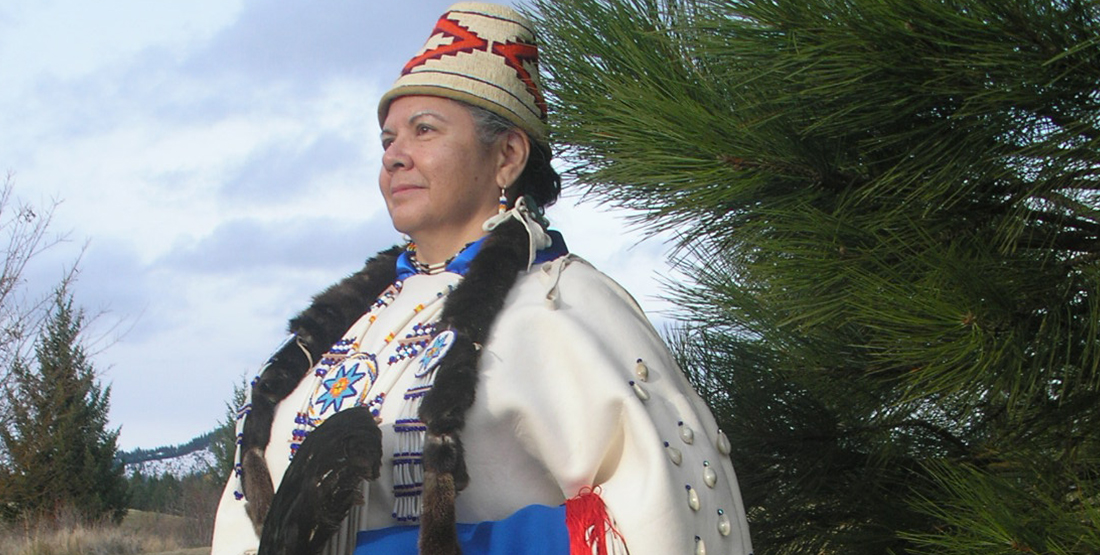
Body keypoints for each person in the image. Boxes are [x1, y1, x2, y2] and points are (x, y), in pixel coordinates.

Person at [210, 3, 753, 554]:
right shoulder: (349, 328)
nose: (395, 156)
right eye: (387, 140)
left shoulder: (564, 307)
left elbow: (666, 512)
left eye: (424, 131)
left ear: (508, 155)